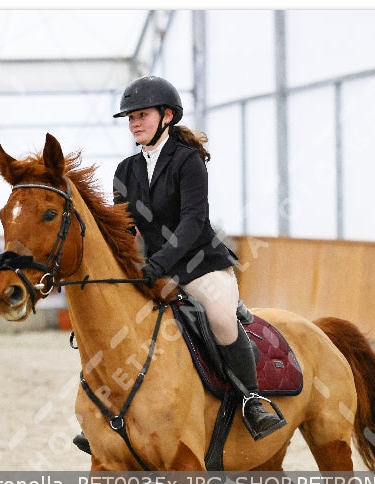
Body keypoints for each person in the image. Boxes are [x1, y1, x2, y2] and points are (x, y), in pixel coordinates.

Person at [73, 76, 285, 455]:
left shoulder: (187, 161)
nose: (134, 123)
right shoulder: (125, 170)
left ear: (166, 116)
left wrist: (157, 265)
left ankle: (252, 400)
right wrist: (126, 267)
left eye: (142, 115)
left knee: (220, 319)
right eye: (130, 117)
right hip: (154, 267)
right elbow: (124, 229)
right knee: (116, 324)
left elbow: (192, 223)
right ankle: (107, 414)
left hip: (201, 265)